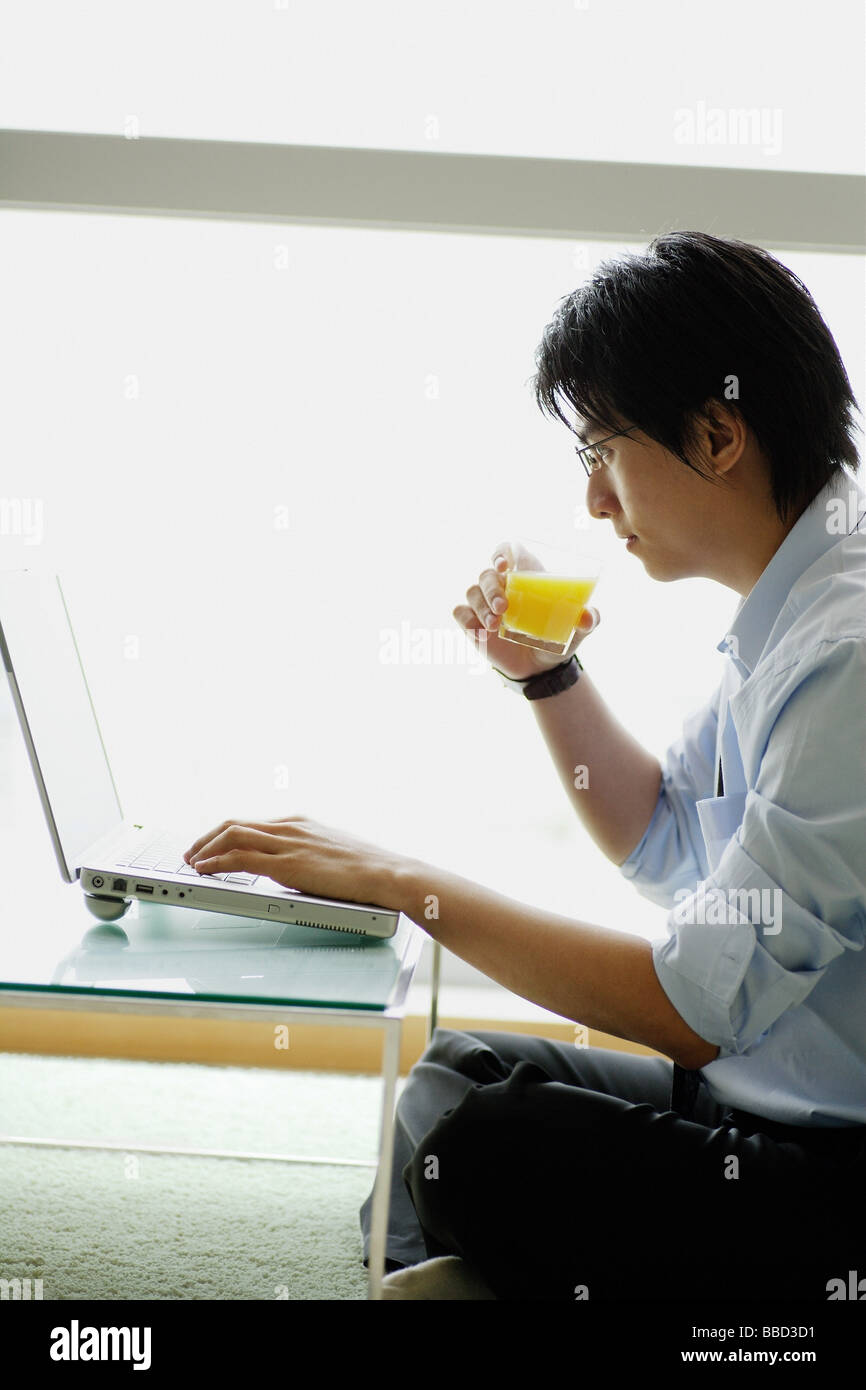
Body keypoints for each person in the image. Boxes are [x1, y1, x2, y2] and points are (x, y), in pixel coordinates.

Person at [183, 230, 866, 1301]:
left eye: (602, 449)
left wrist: (397, 880)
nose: (594, 499)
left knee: (489, 1142)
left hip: (832, 1177)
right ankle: (466, 1287)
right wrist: (546, 675)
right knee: (454, 1078)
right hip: (747, 1102)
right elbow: (658, 835)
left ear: (717, 431)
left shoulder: (845, 656)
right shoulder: (787, 611)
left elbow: (689, 1008)